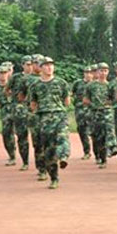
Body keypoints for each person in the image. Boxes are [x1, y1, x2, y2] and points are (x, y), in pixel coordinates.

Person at [29, 56, 70, 189]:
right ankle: (54, 178)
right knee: (49, 150)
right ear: (40, 68)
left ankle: (64, 157)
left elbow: (67, 101)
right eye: (46, 65)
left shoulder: (61, 83)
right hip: (44, 119)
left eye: (51, 65)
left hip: (59, 115)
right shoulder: (35, 85)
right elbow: (33, 104)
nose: (49, 67)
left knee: (63, 137)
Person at [84, 63, 116, 168]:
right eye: (101, 71)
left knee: (109, 131)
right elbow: (85, 99)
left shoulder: (111, 85)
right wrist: (93, 104)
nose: (103, 73)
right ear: (97, 72)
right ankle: (101, 157)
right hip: (95, 113)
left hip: (107, 112)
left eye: (105, 71)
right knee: (98, 137)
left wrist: (109, 104)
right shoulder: (91, 85)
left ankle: (112, 148)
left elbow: (114, 98)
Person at [5, 56, 31, 170]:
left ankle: (43, 165)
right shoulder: (16, 77)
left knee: (40, 137)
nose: (30, 66)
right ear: (23, 65)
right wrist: (14, 99)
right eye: (27, 64)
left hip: (35, 110)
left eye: (32, 64)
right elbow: (6, 89)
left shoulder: (38, 77)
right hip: (20, 110)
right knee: (22, 136)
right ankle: (25, 162)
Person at [0, 63, 16, 165]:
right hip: (5, 113)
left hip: (17, 111)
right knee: (6, 134)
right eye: (1, 73)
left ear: (8, 73)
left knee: (23, 134)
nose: (3, 75)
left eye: (5, 72)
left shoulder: (14, 85)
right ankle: (12, 156)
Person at [71, 66, 94, 160]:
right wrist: (75, 103)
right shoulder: (78, 83)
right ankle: (87, 151)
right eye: (86, 72)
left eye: (90, 72)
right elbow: (71, 94)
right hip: (80, 110)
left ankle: (99, 152)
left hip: (92, 110)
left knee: (95, 131)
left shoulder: (95, 84)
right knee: (82, 130)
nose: (88, 74)